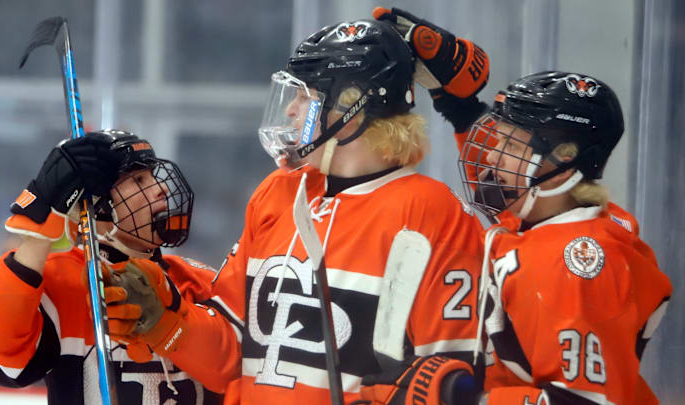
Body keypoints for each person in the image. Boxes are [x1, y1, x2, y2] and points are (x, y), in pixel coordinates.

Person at [105, 17, 489, 405]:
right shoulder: (279, 193)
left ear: (350, 108)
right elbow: (229, 356)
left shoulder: (431, 212)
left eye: (305, 96)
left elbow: (451, 380)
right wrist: (165, 321)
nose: (290, 110)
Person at [365, 7, 673, 405]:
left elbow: (584, 402)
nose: (491, 156)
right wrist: (454, 102)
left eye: (509, 146)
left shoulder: (575, 266)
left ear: (563, 158)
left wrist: (462, 399)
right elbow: (513, 197)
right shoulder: (555, 217)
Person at [0, 129, 224, 404]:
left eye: (153, 176)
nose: (162, 189)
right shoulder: (61, 282)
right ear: (97, 210)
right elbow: (6, 362)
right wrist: (41, 217)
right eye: (139, 180)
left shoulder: (202, 280)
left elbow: (236, 373)